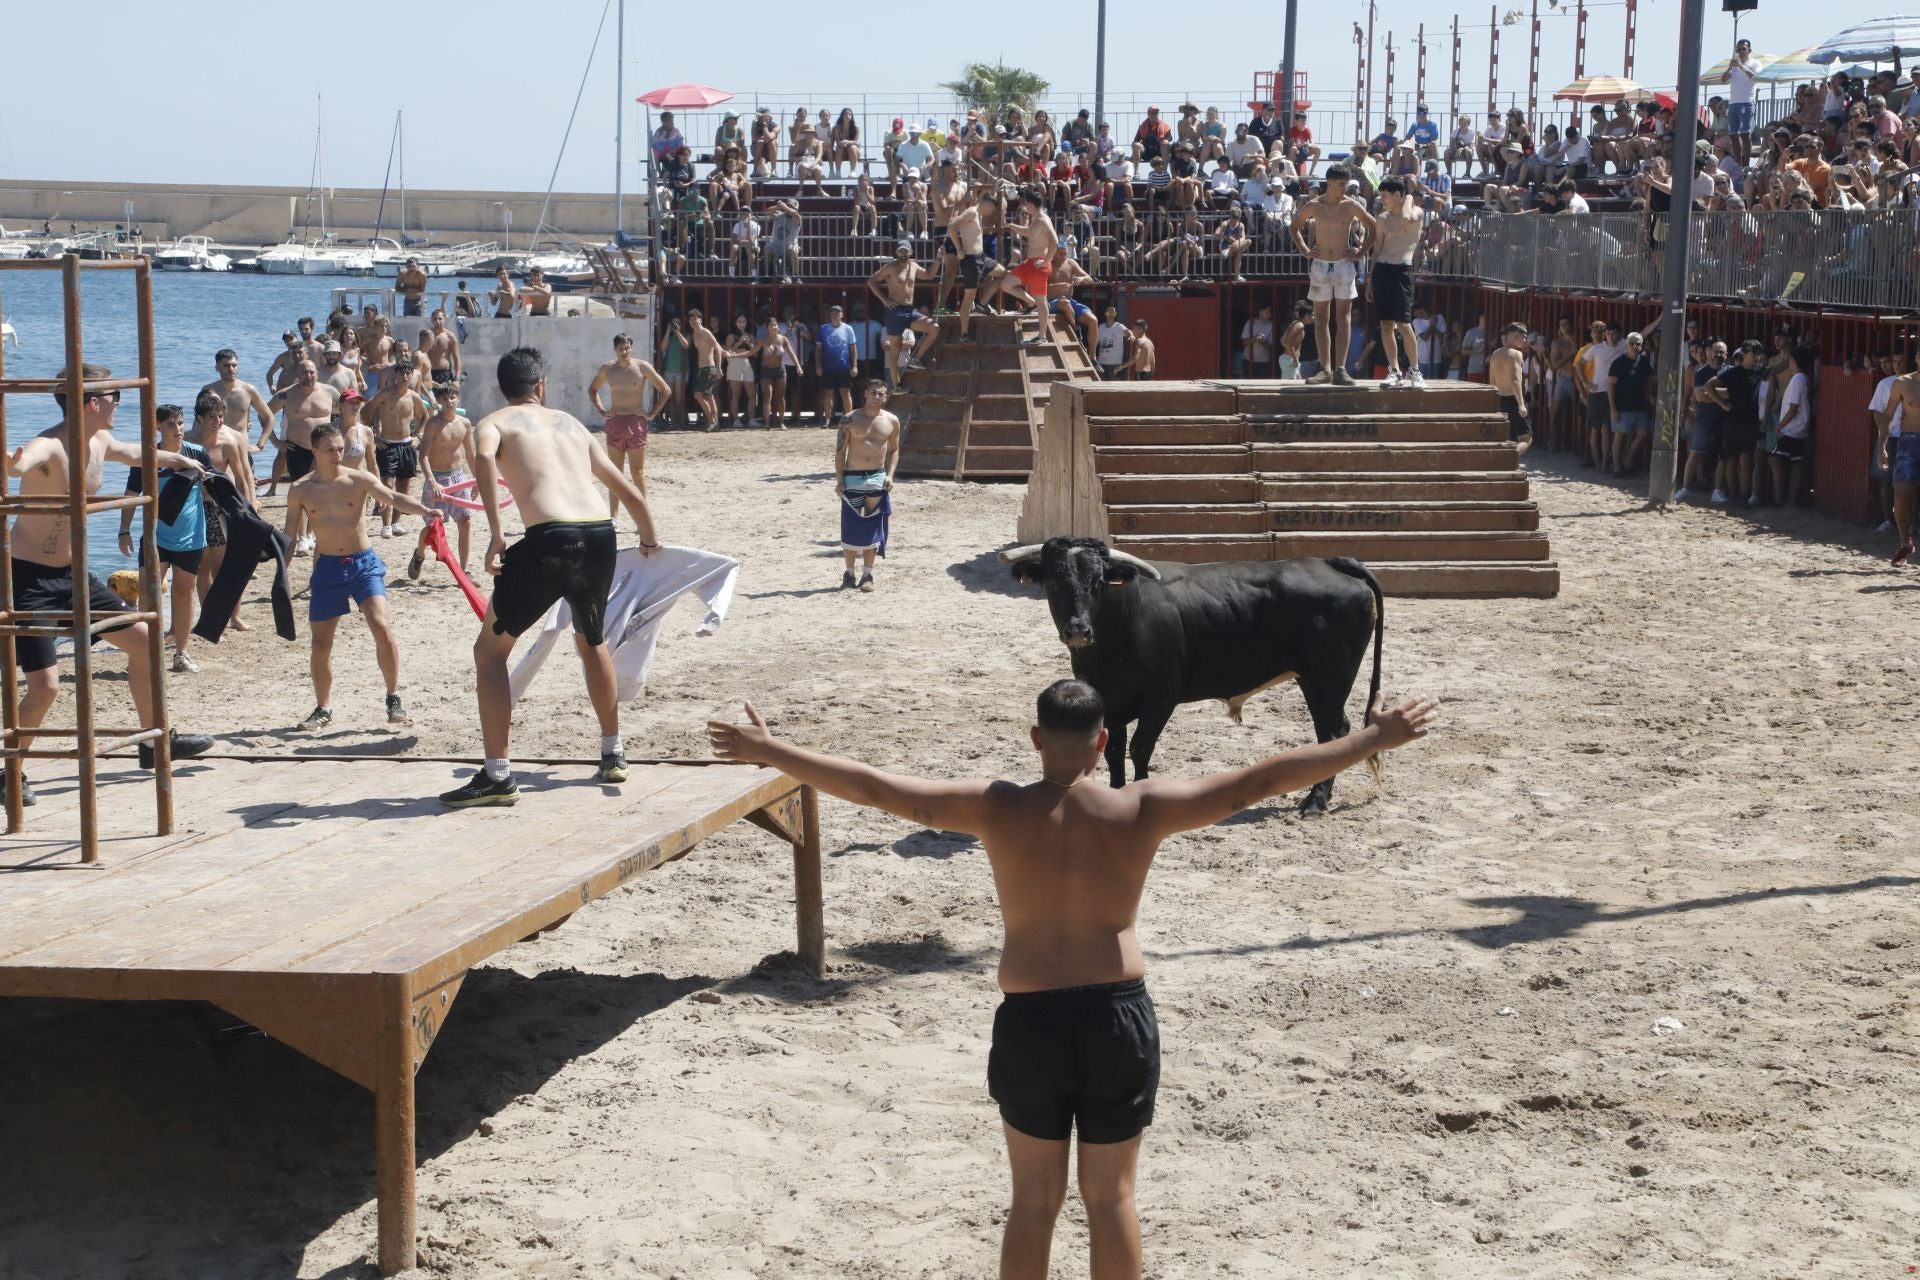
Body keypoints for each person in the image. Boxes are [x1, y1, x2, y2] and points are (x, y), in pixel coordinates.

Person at [705, 680, 1438, 1280]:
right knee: (1112, 1197)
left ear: (1034, 740)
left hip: (1029, 1019)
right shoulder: (1139, 808)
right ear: (1103, 742)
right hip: (1117, 1015)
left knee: (1032, 1202)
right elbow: (1265, 779)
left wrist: (770, 751)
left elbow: (875, 788)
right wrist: (1376, 737)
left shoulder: (996, 807)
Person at [441, 347, 661, 806]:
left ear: (503, 389)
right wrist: (649, 538)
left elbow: (483, 459)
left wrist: (497, 534)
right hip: (599, 536)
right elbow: (625, 490)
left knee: (490, 652)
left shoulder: (494, 423)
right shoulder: (572, 424)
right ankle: (612, 752)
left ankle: (498, 773)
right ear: (540, 386)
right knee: (591, 640)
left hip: (548, 539)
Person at [6, 365, 214, 803]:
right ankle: (11, 771)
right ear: (92, 402)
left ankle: (151, 739)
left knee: (146, 642)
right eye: (115, 396)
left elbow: (138, 454)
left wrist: (180, 460)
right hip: (28, 578)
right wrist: (12, 462)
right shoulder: (53, 443)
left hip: (74, 574)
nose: (121, 403)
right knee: (45, 687)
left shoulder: (100, 440)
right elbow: (23, 462)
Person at [284, 422, 437, 732]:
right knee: (321, 643)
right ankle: (323, 708)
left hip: (363, 564)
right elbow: (289, 535)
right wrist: (280, 574)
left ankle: (393, 698)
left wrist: (424, 510)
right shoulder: (301, 489)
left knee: (381, 625)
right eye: (330, 450)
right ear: (315, 451)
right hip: (327, 568)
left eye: (340, 448)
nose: (338, 454)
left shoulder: (358, 479)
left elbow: (394, 498)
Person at [116, 405, 208, 673]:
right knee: (148, 593)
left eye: (180, 423)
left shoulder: (197, 453)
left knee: (184, 592)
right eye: (170, 424)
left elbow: (216, 487)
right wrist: (124, 530)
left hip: (191, 537)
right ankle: (145, 652)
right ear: (157, 426)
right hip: (155, 536)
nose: (178, 429)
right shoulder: (146, 457)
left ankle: (181, 653)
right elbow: (131, 495)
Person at [1290, 165, 1376, 387]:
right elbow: (1294, 227)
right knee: (1320, 319)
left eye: (1345, 185)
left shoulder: (1350, 205)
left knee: (1344, 317)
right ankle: (1325, 369)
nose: (1344, 189)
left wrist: (1360, 253)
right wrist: (1305, 250)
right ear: (1329, 184)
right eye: (1341, 185)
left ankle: (1340, 369)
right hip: (1320, 265)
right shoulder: (1314, 205)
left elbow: (1373, 227)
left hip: (1344, 264)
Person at [834, 380, 901, 593]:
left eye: (881, 394)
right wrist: (839, 481)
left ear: (886, 396)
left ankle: (867, 574)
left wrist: (890, 476)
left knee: (873, 526)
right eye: (873, 393)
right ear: (865, 393)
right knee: (851, 525)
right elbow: (840, 452)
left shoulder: (892, 420)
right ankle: (849, 573)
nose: (877, 397)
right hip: (853, 477)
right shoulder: (849, 419)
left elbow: (894, 450)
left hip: (876, 477)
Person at [588, 332, 671, 504]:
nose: (624, 351)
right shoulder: (608, 368)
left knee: (637, 472)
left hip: (636, 420)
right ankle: (614, 517)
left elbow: (665, 390)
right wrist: (602, 411)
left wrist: (652, 414)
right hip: (616, 419)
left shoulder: (642, 367)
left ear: (631, 348)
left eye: (627, 348)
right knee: (615, 472)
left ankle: (643, 511)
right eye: (620, 348)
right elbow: (592, 390)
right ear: (615, 349)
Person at [408, 386, 480, 579]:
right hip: (437, 479)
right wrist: (432, 482)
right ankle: (419, 553)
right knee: (433, 527)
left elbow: (471, 456)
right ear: (440, 401)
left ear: (458, 399)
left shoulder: (464, 424)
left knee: (465, 521)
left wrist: (476, 481)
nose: (450, 401)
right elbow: (423, 457)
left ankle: (463, 572)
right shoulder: (433, 424)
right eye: (446, 398)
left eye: (453, 397)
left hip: (458, 478)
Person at [1370, 176, 1423, 387]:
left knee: (1404, 323)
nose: (1381, 199)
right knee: (1385, 324)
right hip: (1382, 270)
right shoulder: (1382, 218)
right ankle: (1394, 371)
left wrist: (1409, 192)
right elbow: (1377, 249)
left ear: (1398, 195)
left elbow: (1407, 216)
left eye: (1385, 195)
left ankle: (1415, 371)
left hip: (1402, 270)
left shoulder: (1416, 212)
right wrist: (1372, 276)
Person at [364, 363, 427, 538]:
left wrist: (418, 436)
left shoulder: (413, 396)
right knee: (387, 485)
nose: (405, 377)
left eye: (408, 373)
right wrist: (373, 437)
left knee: (403, 486)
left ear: (411, 375)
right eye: (401, 373)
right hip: (387, 444)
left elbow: (425, 416)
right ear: (396, 375)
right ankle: (385, 525)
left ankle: (396, 522)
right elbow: (366, 410)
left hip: (407, 444)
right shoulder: (385, 393)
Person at [866, 241, 940, 384]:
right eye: (901, 251)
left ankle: (915, 358)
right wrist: (884, 299)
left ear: (910, 252)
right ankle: (896, 385)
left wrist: (938, 259)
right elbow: (871, 281)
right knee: (895, 350)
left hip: (909, 310)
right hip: (894, 311)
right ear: (896, 252)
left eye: (906, 251)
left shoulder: (913, 266)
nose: (903, 254)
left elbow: (930, 275)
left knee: (934, 328)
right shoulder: (890, 267)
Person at [1001, 189, 1060, 349]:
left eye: (1026, 203)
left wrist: (1046, 260)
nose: (1025, 206)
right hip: (1029, 264)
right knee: (1006, 284)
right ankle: (1030, 302)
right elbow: (1028, 232)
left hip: (1039, 265)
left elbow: (1055, 242)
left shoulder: (1043, 220)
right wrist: (1012, 226)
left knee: (1042, 302)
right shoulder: (1035, 219)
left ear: (1031, 204)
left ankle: (1042, 336)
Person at [1606, 331, 1655, 476]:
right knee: (1620, 435)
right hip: (1622, 406)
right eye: (1632, 344)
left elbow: (1652, 378)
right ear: (1627, 345)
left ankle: (1627, 462)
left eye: (1638, 344)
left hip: (1640, 405)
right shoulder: (1618, 363)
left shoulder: (1644, 362)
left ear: (1642, 346)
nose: (1635, 346)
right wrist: (1613, 408)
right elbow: (1610, 386)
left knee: (1643, 434)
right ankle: (1617, 467)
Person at [1488, 321, 1532, 459]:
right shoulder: (1516, 354)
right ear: (1516, 335)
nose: (1525, 341)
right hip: (1513, 398)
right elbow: (1515, 380)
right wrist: (1521, 404)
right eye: (1524, 337)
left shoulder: (1495, 354)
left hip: (1499, 399)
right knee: (1526, 438)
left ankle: (1507, 462)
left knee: (1510, 438)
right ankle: (1508, 460)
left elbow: (1492, 382)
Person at [815, 304, 860, 425]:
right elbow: (818, 349)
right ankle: (827, 420)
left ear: (842, 315)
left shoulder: (848, 329)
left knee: (846, 393)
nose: (835, 315)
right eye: (832, 313)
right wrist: (818, 366)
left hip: (844, 366)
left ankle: (848, 419)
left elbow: (853, 348)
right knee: (828, 393)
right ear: (830, 315)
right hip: (828, 367)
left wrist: (854, 365)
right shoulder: (823, 329)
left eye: (837, 313)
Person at [687, 309, 724, 430]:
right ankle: (715, 422)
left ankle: (712, 420)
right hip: (701, 368)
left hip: (709, 367)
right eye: (691, 319)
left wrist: (718, 368)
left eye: (695, 319)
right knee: (709, 396)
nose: (693, 321)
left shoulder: (706, 332)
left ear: (700, 320)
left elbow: (718, 349)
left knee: (698, 395)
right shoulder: (694, 335)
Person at [424, 310, 461, 390]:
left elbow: (457, 359)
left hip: (445, 374)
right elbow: (422, 354)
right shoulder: (427, 336)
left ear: (444, 319)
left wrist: (457, 379)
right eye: (435, 319)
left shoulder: (450, 337)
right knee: (430, 401)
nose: (437, 321)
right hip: (430, 374)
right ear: (431, 320)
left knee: (445, 400)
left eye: (440, 319)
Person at [1095, 306, 1132, 380]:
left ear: (1115, 314)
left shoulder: (1119, 326)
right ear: (1105, 314)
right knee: (1101, 386)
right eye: (1109, 313)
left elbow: (1128, 331)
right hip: (1101, 362)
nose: (1110, 315)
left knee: (1114, 386)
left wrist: (1131, 335)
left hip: (1114, 364)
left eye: (1113, 313)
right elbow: (1096, 342)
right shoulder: (1101, 327)